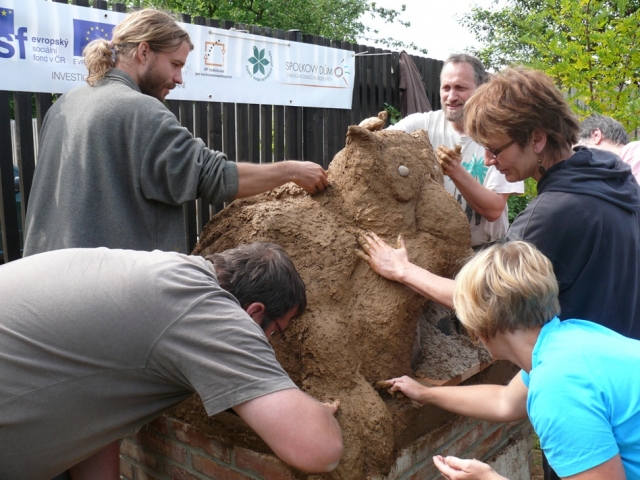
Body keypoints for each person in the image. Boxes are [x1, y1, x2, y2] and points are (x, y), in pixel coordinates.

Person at [0, 243, 343, 480]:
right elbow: (317, 450)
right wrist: (318, 413)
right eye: (277, 332)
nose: (271, 344)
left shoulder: (167, 270)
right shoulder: (210, 312)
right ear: (254, 313)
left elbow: (96, 415)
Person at [359, 67, 640, 339]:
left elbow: (482, 298)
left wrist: (402, 270)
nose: (487, 161)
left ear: (537, 139)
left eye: (494, 149)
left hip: (584, 375)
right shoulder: (610, 174)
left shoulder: (552, 213)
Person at [23, 9, 329, 256]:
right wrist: (292, 170)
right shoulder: (141, 112)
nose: (179, 78)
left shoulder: (64, 104)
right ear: (144, 52)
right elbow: (215, 178)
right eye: (175, 64)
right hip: (109, 299)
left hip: (45, 290)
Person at [384, 241, 640, 479]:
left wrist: (489, 478)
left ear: (482, 323)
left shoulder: (558, 387)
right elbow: (504, 401)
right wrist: (426, 394)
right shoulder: (568, 341)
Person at [387, 54, 524, 248]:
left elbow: (494, 210)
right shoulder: (422, 124)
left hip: (485, 252)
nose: (451, 97)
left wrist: (454, 170)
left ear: (480, 90)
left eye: (460, 88)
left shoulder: (500, 135)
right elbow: (376, 145)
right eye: (446, 88)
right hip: (435, 249)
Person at [577, 113, 640, 183]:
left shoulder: (635, 154)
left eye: (580, 149)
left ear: (596, 135)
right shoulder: (622, 170)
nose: (579, 155)